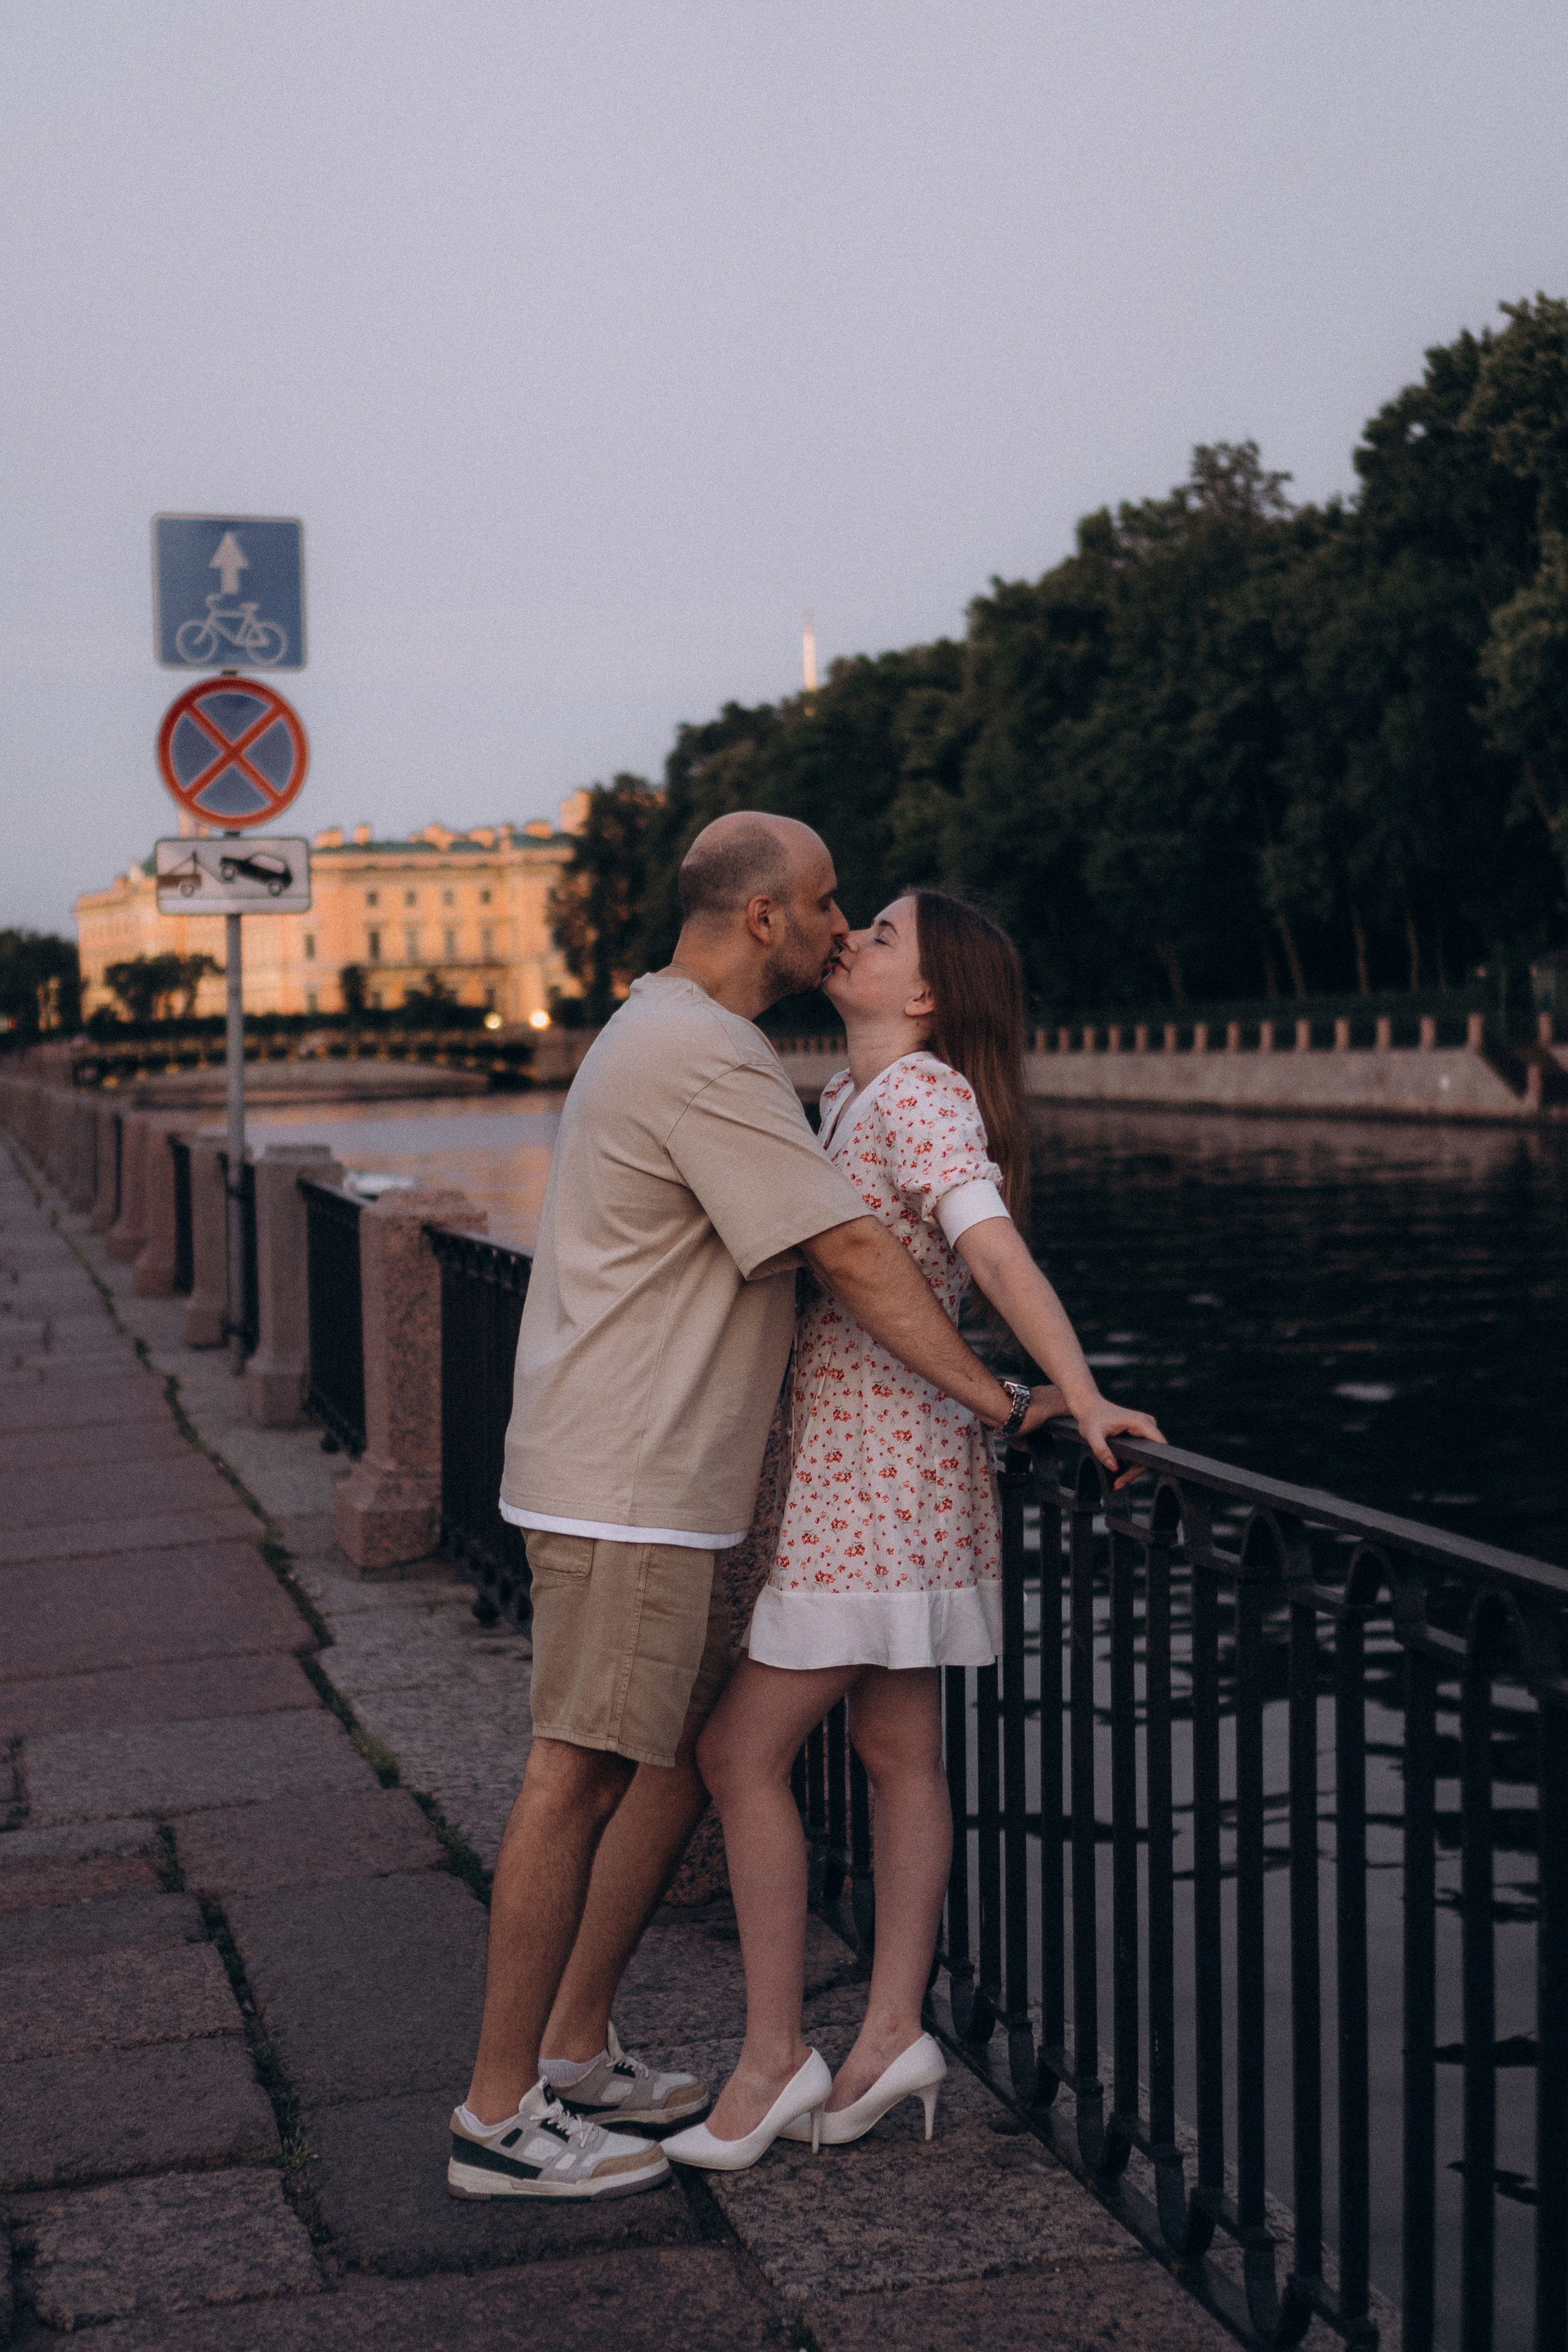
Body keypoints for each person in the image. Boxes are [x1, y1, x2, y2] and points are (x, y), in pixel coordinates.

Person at [448, 823, 1057, 2201]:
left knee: (666, 1762)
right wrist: (1001, 1399)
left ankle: (579, 2045)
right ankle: (497, 2116)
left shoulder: (674, 1032)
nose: (844, 924)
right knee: (579, 1772)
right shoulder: (708, 1056)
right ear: (768, 920)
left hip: (670, 1476)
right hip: (633, 1480)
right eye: (831, 902)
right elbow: (844, 1248)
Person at [664, 891, 1164, 2173]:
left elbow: (987, 1250)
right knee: (896, 1751)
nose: (852, 939)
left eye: (880, 935)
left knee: (736, 1753)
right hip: (878, 1469)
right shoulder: (847, 1093)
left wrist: (1081, 1387)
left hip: (874, 1482)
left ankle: (773, 2058)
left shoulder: (920, 1095)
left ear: (929, 996)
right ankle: (890, 2033)